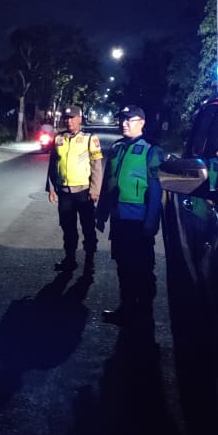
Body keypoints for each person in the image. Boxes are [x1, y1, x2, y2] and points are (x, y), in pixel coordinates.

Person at [95, 105, 164, 326]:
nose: (123, 123)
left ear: (141, 122)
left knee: (142, 268)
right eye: (122, 119)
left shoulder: (151, 150)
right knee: (123, 265)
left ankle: (144, 314)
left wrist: (151, 222)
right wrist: (101, 213)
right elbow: (108, 182)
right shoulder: (117, 148)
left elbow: (156, 190)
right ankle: (126, 309)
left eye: (129, 119)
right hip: (119, 219)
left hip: (138, 221)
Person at [45, 105, 103, 273]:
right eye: (66, 118)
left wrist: (95, 189)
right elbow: (53, 164)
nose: (69, 121)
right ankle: (70, 259)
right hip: (65, 193)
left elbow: (97, 166)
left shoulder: (89, 138)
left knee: (88, 228)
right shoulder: (58, 138)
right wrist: (51, 188)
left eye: (72, 117)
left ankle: (89, 260)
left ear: (79, 119)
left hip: (84, 193)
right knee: (67, 228)